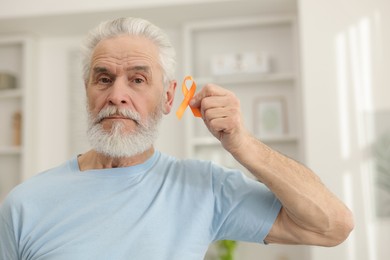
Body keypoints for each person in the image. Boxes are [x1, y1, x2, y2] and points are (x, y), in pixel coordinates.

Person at [0, 17, 354, 260]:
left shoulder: (205, 188)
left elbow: (332, 226)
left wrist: (242, 144)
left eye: (138, 80)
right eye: (104, 79)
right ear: (88, 91)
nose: (117, 95)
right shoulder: (25, 203)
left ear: (169, 97)